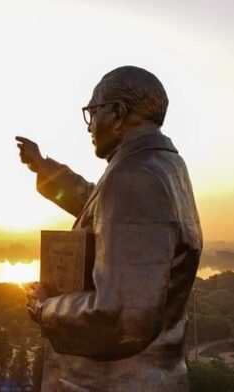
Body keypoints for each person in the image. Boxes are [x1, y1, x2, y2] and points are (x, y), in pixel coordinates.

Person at [16, 66, 202, 391]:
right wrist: (43, 167)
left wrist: (45, 308)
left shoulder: (136, 177)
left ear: (116, 113)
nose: (90, 127)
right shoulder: (162, 164)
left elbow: (121, 315)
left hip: (115, 381)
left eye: (93, 112)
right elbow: (96, 203)